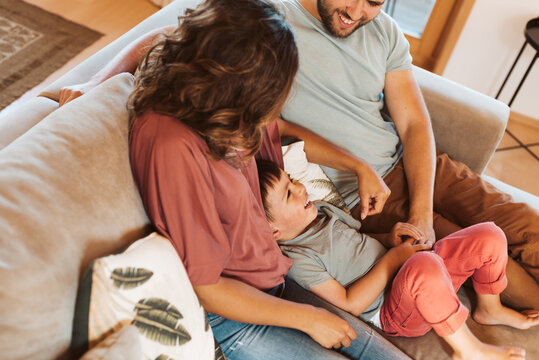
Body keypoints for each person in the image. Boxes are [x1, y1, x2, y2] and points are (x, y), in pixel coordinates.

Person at [97, 0, 409, 358]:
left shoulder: (223, 107)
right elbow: (208, 286)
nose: (279, 102)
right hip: (237, 317)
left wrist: (360, 167)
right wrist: (308, 318)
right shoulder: (171, 143)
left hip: (276, 278)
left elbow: (284, 129)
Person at [275, 0, 539, 286]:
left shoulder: (384, 30)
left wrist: (422, 213)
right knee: (491, 260)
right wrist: (361, 168)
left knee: (529, 226)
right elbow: (271, 128)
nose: (355, 12)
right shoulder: (270, 22)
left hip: (414, 164)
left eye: (373, 2)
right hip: (363, 201)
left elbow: (413, 123)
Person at [256, 158, 539, 360]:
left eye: (292, 180)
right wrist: (393, 259)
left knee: (489, 235)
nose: (301, 188)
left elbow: (361, 241)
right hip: (394, 310)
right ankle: (468, 349)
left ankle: (489, 307)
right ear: (273, 231)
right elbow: (349, 304)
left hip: (416, 271)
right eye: (289, 194)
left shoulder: (324, 211)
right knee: (424, 265)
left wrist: (388, 238)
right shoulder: (298, 258)